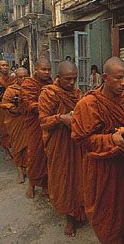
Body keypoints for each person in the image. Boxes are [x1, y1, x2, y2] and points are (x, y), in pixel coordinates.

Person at [71, 57, 124, 244]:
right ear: (105, 77)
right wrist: (110, 139)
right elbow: (80, 138)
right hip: (101, 169)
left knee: (123, 213)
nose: (123, 83)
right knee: (105, 216)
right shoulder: (88, 104)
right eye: (118, 78)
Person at [38, 61, 86, 237]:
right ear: (58, 77)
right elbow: (43, 121)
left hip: (76, 142)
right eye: (68, 79)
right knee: (64, 179)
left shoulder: (77, 92)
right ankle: (69, 218)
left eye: (75, 79)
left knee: (79, 177)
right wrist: (60, 118)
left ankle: (80, 211)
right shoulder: (49, 93)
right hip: (59, 144)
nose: (72, 83)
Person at [20, 58, 53, 198]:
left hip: (49, 123)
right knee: (35, 153)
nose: (46, 72)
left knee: (48, 154)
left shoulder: (50, 82)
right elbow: (29, 103)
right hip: (35, 123)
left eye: (49, 69)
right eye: (43, 69)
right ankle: (31, 184)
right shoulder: (28, 83)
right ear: (36, 69)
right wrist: (46, 107)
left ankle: (46, 184)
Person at [0, 67, 29, 183]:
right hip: (16, 121)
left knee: (30, 147)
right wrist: (13, 107)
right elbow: (4, 103)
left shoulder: (32, 88)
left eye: (25, 76)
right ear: (16, 77)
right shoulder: (11, 89)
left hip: (29, 120)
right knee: (17, 146)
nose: (23, 79)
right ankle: (20, 171)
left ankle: (28, 168)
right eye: (20, 77)